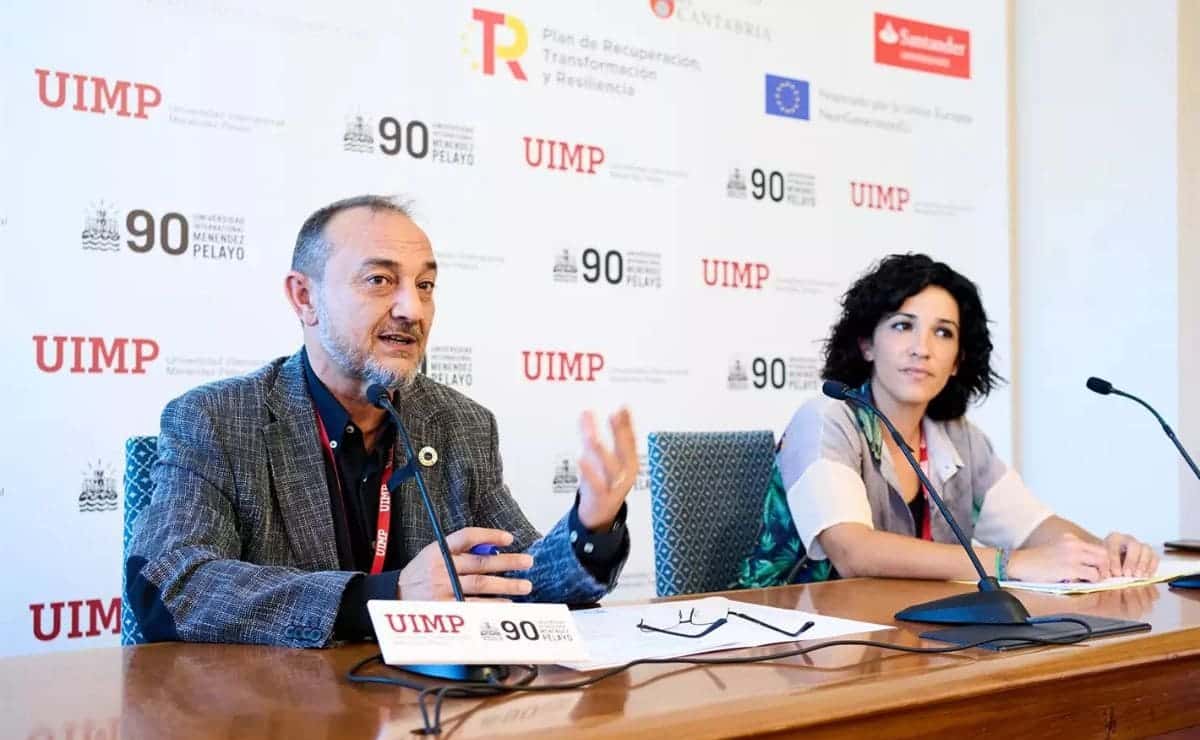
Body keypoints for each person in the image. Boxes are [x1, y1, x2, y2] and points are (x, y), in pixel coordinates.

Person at [126, 195, 638, 647]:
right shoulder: (218, 419)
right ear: (304, 297)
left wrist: (590, 528)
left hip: (423, 714)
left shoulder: (460, 424)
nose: (412, 308)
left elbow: (519, 581)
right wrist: (387, 597)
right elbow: (173, 585)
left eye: (426, 284)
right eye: (380, 280)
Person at [738, 253, 1158, 587]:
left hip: (906, 636)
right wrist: (1013, 565)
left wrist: (1105, 553)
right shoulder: (827, 419)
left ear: (958, 360)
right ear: (866, 344)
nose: (922, 348)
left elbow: (1032, 527)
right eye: (903, 326)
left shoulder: (958, 438)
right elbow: (853, 552)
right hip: (793, 642)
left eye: (943, 333)